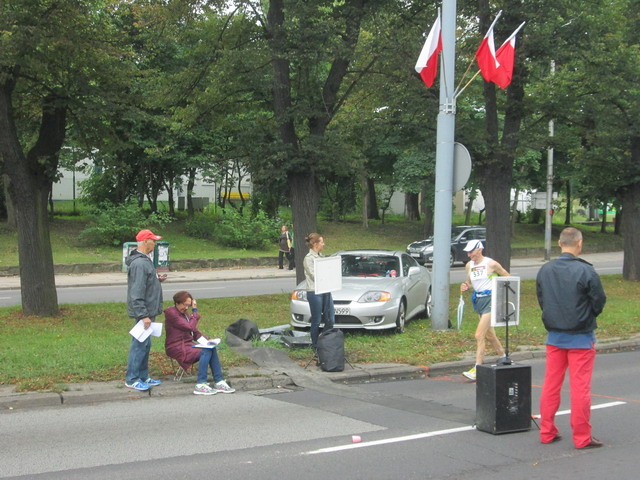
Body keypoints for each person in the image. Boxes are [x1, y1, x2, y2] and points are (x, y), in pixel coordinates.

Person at [536, 227, 606, 449]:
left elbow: (542, 300)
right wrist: (587, 316)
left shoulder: (545, 270)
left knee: (550, 385)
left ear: (559, 243)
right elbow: (598, 302)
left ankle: (546, 431)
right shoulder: (587, 272)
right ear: (580, 243)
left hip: (555, 336)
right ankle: (582, 437)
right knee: (580, 388)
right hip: (581, 337)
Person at [164, 291, 235, 395]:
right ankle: (200, 384)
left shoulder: (185, 314)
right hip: (176, 347)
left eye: (189, 305)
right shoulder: (171, 313)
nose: (186, 308)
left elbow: (194, 332)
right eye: (185, 305)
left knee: (211, 348)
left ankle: (219, 381)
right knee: (204, 351)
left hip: (187, 344)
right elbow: (189, 327)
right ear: (177, 303)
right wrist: (195, 311)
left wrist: (207, 341)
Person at [124, 229, 167, 391]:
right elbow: (136, 292)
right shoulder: (140, 263)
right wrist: (143, 315)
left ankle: (143, 376)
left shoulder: (145, 261)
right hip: (145, 313)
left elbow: (145, 284)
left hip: (149, 311)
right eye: (153, 241)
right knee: (139, 345)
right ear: (145, 242)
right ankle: (132, 378)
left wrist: (156, 281)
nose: (155, 244)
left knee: (145, 345)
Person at [460, 239, 509, 381]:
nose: (469, 255)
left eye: (471, 252)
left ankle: (477, 368)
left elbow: (507, 276)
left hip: (491, 300)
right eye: (467, 252)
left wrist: (502, 295)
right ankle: (503, 358)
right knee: (489, 335)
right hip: (479, 301)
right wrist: (465, 285)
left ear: (479, 250)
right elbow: (468, 281)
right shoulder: (469, 265)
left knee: (478, 335)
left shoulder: (491, 263)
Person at [303, 233, 335, 347]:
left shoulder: (322, 257)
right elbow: (314, 276)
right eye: (321, 242)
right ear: (315, 244)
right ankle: (316, 346)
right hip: (314, 292)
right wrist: (327, 276)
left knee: (330, 319)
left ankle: (325, 342)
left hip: (326, 290)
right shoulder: (308, 259)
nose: (323, 244)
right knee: (316, 320)